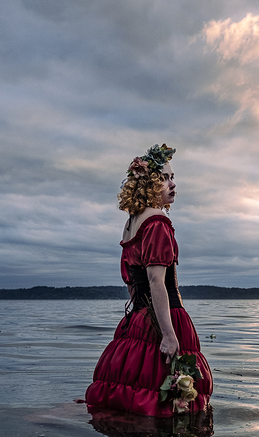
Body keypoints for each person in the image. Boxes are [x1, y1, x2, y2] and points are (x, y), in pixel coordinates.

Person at [85, 144, 213, 417]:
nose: (173, 184)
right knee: (168, 401)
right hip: (163, 317)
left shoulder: (132, 222)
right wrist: (168, 334)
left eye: (172, 177)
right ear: (149, 184)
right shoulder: (157, 223)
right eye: (164, 178)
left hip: (139, 317)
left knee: (133, 390)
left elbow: (132, 283)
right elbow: (157, 282)